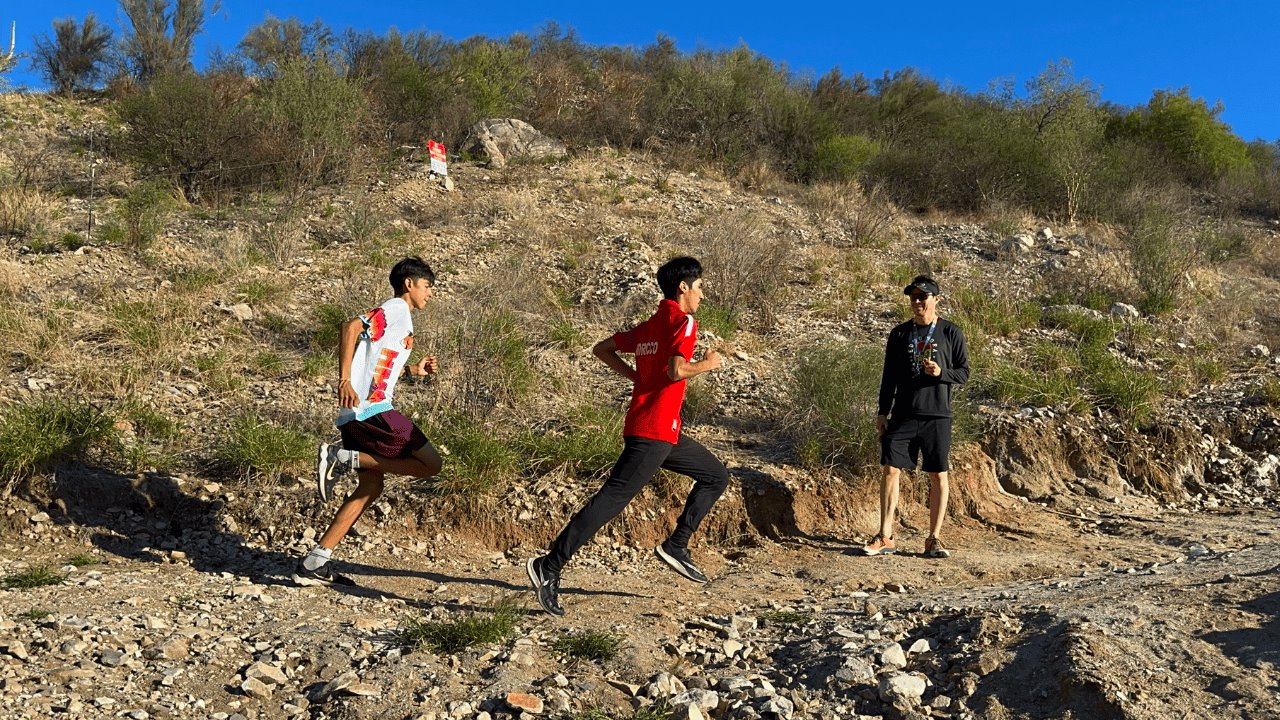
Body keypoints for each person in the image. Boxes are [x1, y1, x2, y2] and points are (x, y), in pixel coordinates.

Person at [526, 256, 730, 616]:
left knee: (715, 476)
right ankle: (549, 566)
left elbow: (601, 349)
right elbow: (677, 369)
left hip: (660, 430)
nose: (702, 294)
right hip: (653, 433)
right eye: (699, 287)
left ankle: (677, 545)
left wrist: (636, 378)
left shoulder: (651, 325)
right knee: (610, 500)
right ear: (683, 288)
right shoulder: (683, 322)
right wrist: (707, 365)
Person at [293, 256, 444, 586]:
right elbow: (350, 327)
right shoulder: (396, 309)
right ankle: (337, 457)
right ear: (410, 284)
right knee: (432, 463)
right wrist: (343, 380)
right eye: (427, 286)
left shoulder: (400, 321)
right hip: (372, 411)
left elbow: (379, 365)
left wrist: (414, 371)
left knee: (370, 486)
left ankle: (315, 562)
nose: (430, 293)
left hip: (358, 414)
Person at [858, 274, 969, 559]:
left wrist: (941, 372)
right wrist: (883, 411)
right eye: (913, 297)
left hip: (937, 415)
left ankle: (933, 539)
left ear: (936, 300)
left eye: (923, 296)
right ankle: (885, 536)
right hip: (904, 414)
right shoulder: (899, 334)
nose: (917, 301)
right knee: (890, 470)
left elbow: (964, 373)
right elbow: (888, 377)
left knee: (937, 475)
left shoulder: (950, 332)